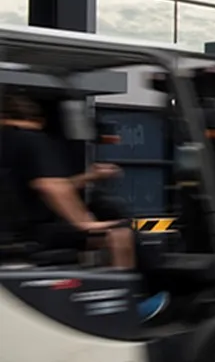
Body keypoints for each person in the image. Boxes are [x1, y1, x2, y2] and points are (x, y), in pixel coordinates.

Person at [0, 91, 169, 322]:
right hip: (33, 233)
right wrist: (84, 223)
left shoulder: (6, 141)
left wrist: (89, 177)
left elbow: (52, 184)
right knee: (120, 232)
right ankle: (126, 309)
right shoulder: (31, 139)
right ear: (37, 117)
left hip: (14, 233)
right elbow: (51, 187)